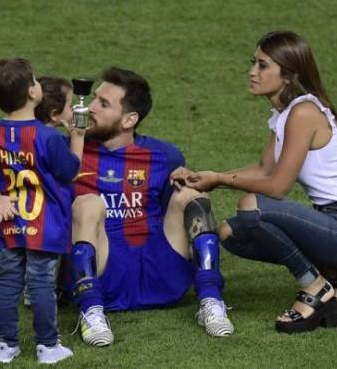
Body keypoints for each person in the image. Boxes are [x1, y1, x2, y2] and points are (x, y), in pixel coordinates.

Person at [171, 30, 337, 334]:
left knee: (251, 207)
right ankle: (336, 272)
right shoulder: (285, 113)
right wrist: (211, 176)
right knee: (231, 234)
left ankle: (316, 286)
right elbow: (263, 169)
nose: (252, 72)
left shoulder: (303, 113)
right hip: (334, 225)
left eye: (262, 65)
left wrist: (219, 180)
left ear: (288, 75)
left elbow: (278, 186)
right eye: (253, 63)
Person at [69, 67, 234, 347]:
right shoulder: (70, 151)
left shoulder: (164, 155)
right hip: (105, 268)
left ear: (129, 119)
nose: (91, 108)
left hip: (161, 271)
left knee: (191, 195)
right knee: (88, 203)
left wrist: (186, 177)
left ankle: (211, 300)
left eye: (103, 103)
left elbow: (180, 206)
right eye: (94, 99)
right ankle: (90, 309)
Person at [0, 58, 85, 364]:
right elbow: (70, 171)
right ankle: (47, 346)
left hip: (8, 222)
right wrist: (78, 138)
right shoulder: (48, 137)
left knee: (7, 281)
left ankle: (3, 346)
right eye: (35, 80)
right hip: (45, 223)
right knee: (41, 281)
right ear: (32, 93)